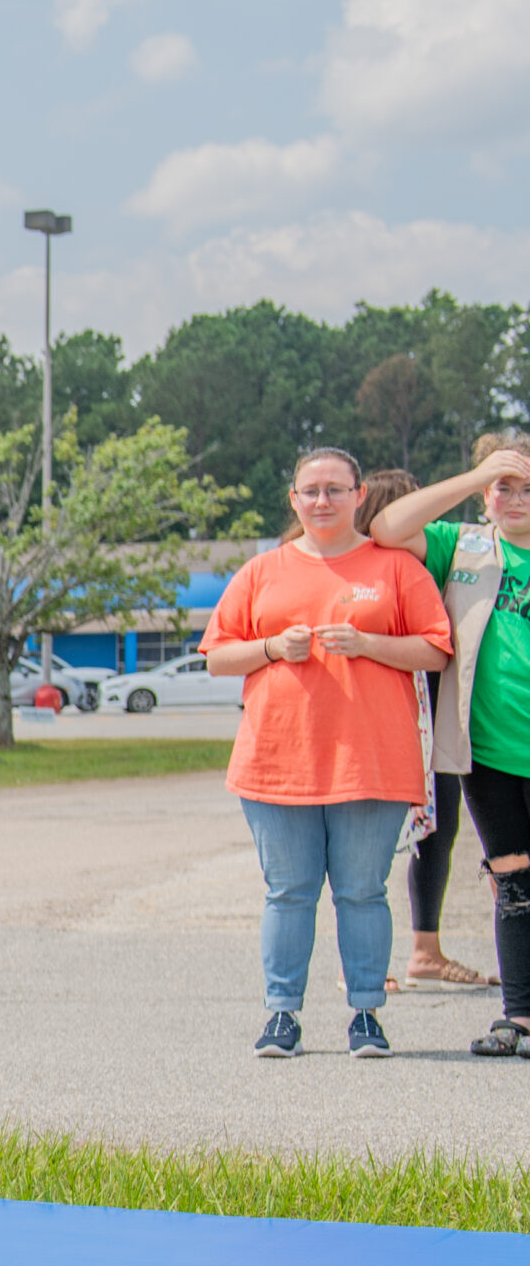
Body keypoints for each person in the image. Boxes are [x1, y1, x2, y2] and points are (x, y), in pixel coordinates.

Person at [201, 447, 452, 1060]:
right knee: (288, 891)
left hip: (370, 759)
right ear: (293, 499)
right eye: (310, 490)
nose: (322, 501)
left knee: (363, 892)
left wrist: (369, 642)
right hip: (277, 760)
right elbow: (216, 655)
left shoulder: (394, 568)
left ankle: (366, 1013)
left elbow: (437, 649)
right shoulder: (263, 571)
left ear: (359, 495)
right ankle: (281, 1016)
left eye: (336, 490)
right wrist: (269, 648)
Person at [369, 439, 530, 1055]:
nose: (514, 500)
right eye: (503, 489)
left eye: (525, 488)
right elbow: (387, 526)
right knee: (512, 882)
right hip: (488, 750)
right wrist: (475, 475)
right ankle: (519, 1015)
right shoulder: (465, 547)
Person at [354, 467, 489, 993]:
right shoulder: (368, 572)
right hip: (386, 713)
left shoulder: (433, 567)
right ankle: (365, 960)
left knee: (439, 826)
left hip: (438, 710)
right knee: (375, 834)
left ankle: (425, 950)